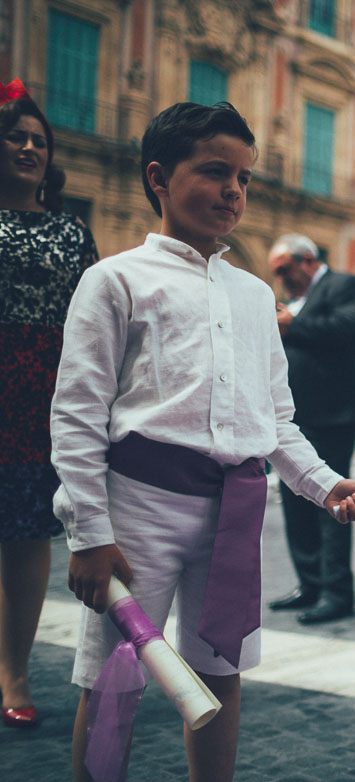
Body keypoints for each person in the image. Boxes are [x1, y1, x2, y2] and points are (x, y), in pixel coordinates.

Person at [50, 102, 355, 782]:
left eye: (244, 177)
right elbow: (78, 414)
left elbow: (276, 420)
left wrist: (325, 485)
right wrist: (88, 532)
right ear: (159, 178)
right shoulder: (114, 280)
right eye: (214, 171)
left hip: (235, 512)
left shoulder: (256, 296)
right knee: (117, 677)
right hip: (138, 507)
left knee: (221, 671)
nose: (234, 190)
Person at [0, 79, 98, 728]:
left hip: (41, 389)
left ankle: (14, 671)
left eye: (40, 139)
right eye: (17, 135)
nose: (30, 146)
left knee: (29, 532)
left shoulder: (72, 230)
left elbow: (95, 325)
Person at [266, 233, 355, 625]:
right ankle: (309, 584)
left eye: (285, 270)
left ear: (308, 260)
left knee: (334, 504)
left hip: (333, 415)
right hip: (294, 419)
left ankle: (336, 593)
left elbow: (349, 326)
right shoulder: (292, 300)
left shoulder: (345, 285)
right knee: (294, 503)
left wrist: (294, 322)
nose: (282, 280)